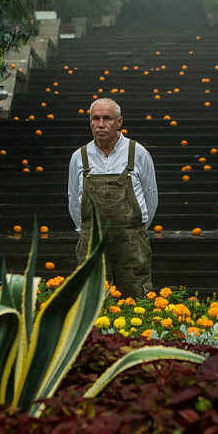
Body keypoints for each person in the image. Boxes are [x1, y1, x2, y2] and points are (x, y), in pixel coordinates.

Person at [68, 98, 158, 299]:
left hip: (132, 241)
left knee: (137, 295)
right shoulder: (79, 157)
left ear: (119, 122)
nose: (101, 124)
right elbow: (74, 199)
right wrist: (87, 231)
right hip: (92, 241)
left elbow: (151, 196)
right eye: (95, 118)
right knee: (91, 297)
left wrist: (135, 228)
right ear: (90, 121)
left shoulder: (138, 152)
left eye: (107, 118)